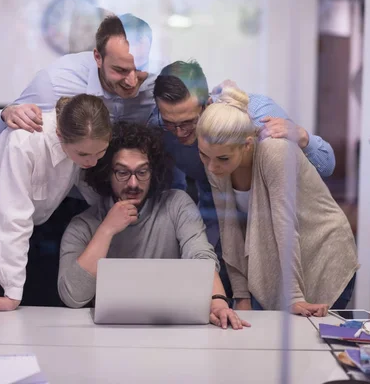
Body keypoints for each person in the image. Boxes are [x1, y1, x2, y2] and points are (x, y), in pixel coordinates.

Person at [149, 60, 337, 298]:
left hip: (284, 238)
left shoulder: (256, 120)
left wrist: (302, 137)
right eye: (169, 123)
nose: (179, 132)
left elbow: (326, 167)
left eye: (187, 122)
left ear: (206, 105)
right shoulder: (158, 127)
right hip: (221, 236)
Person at [58, 121, 250, 329]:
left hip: (172, 328)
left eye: (142, 172)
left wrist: (218, 302)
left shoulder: (176, 204)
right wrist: (106, 230)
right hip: (110, 334)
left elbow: (200, 257)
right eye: (122, 173)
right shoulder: (84, 225)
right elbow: (72, 296)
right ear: (106, 173)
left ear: (154, 172)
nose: (133, 183)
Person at [195, 86, 359, 316]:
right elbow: (230, 229)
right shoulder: (216, 159)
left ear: (247, 145)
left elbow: (285, 225)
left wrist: (292, 296)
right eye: (203, 155)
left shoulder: (275, 150)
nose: (212, 167)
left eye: (222, 158)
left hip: (321, 253)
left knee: (308, 347)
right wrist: (241, 295)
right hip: (278, 262)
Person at [0, 94, 112, 311]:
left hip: (31, 232)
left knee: (35, 320)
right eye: (83, 154)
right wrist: (12, 292)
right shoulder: (25, 142)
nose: (92, 161)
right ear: (59, 134)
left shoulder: (85, 138)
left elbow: (92, 192)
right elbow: (12, 218)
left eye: (100, 152)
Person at [0, 13, 156, 140]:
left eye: (140, 68)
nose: (133, 81)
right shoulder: (55, 82)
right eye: (121, 70)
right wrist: (8, 114)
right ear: (98, 57)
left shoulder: (155, 87)